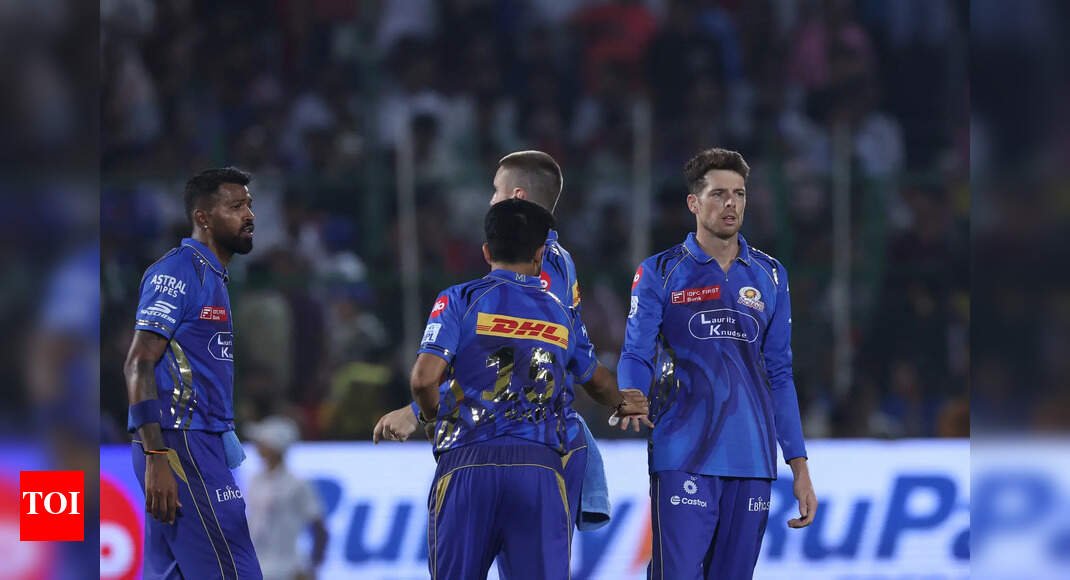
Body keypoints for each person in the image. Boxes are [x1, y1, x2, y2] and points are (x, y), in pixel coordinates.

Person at [374, 150, 650, 535]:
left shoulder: (538, 268)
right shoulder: (558, 259)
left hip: (521, 442)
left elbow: (516, 358)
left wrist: (418, 412)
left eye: (495, 190)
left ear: (517, 196)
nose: (490, 199)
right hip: (538, 440)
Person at [618, 148, 818, 578]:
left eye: (739, 194)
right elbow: (636, 350)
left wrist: (798, 466)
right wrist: (632, 393)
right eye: (719, 194)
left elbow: (780, 373)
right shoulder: (660, 271)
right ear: (694, 202)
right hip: (682, 452)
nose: (731, 204)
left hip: (753, 459)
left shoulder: (771, 275)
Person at [410, 198, 616, 578]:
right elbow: (598, 381)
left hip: (467, 461)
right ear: (539, 255)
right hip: (539, 468)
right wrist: (624, 400)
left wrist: (431, 418)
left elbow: (423, 380)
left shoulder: (459, 299)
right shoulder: (560, 312)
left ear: (486, 251)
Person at [124, 167, 263, 579]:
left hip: (194, 441)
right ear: (203, 217)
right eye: (236, 206)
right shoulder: (178, 272)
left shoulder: (213, 275)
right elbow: (139, 362)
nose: (249, 215)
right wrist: (156, 456)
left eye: (249, 205)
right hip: (181, 442)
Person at [245, 415, 329, 580]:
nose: (257, 446)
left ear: (275, 447)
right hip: (256, 566)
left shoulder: (297, 483)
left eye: (262, 442)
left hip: (287, 569)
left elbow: (319, 528)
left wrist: (313, 567)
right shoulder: (255, 480)